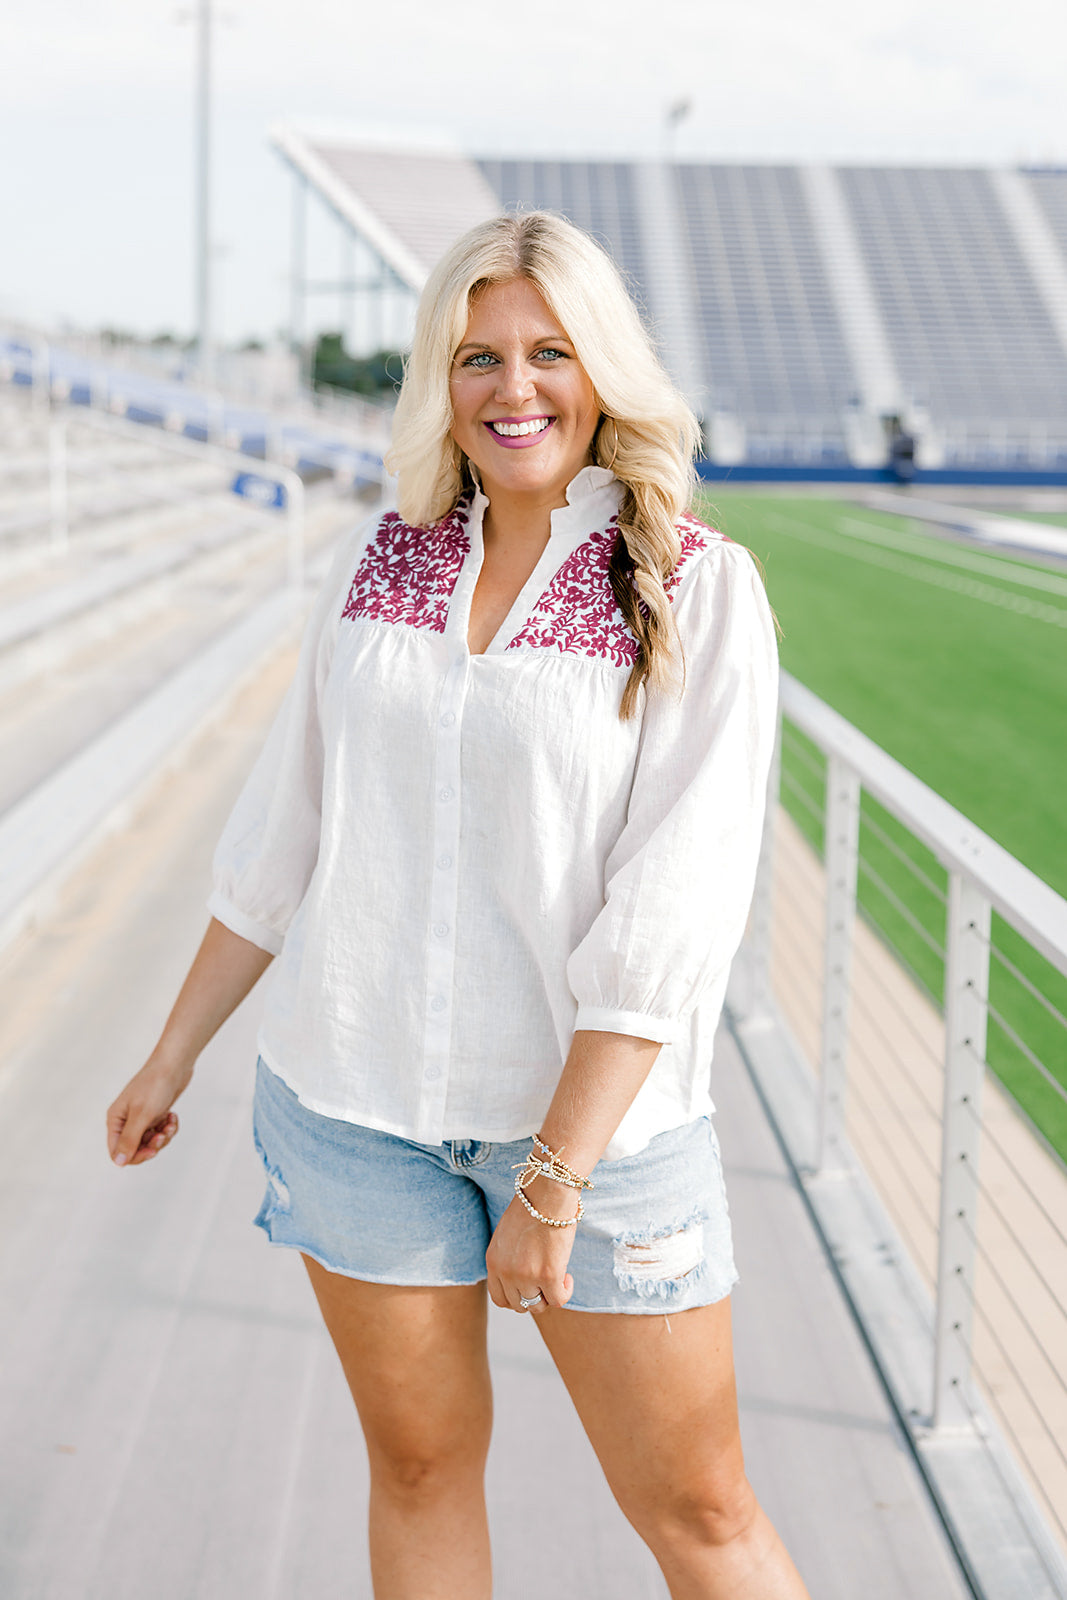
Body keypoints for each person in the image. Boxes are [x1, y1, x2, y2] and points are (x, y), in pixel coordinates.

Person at [107, 211, 811, 1600]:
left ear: (604, 369)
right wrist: (172, 1049)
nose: (515, 387)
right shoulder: (381, 558)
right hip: (356, 1110)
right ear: (441, 377)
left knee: (702, 1512)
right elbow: (284, 827)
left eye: (551, 351)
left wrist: (551, 1182)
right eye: (477, 355)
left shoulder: (695, 587)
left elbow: (671, 916)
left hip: (598, 1145)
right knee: (420, 1473)